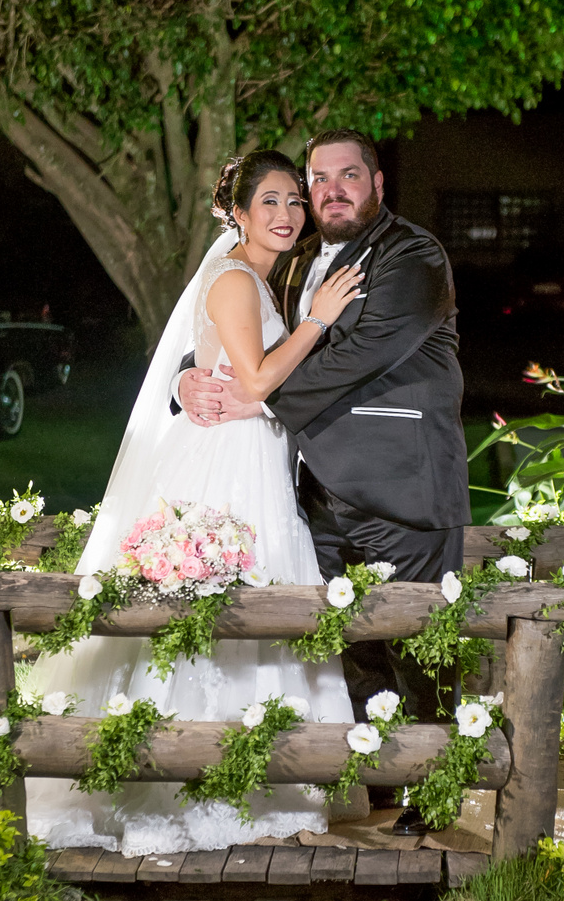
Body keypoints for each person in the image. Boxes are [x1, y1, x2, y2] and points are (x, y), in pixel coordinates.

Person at [17, 149, 368, 856]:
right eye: (269, 201)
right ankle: (183, 778)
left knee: (253, 608)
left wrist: (198, 379)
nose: (287, 214)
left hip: (257, 461)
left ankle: (256, 774)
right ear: (236, 214)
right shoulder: (238, 279)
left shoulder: (263, 279)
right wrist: (320, 320)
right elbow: (262, 376)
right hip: (225, 469)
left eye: (294, 201)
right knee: (214, 608)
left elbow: (231, 371)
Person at [178, 129, 470, 834]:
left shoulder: (413, 257)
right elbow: (254, 335)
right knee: (347, 647)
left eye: (349, 176)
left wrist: (256, 398)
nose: (331, 190)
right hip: (312, 488)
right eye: (319, 179)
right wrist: (192, 377)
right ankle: (377, 781)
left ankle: (434, 797)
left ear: (376, 183)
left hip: (402, 484)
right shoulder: (297, 257)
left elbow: (361, 353)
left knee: (419, 643)